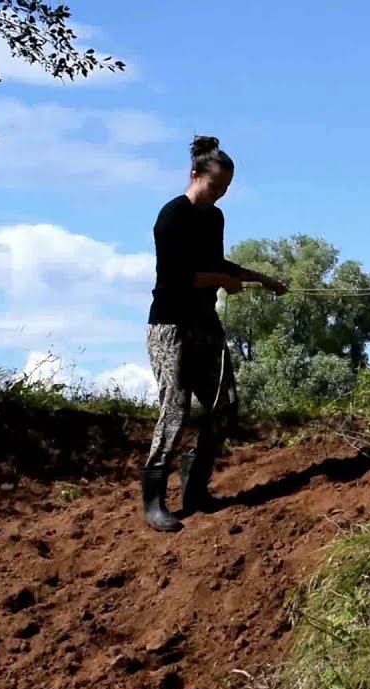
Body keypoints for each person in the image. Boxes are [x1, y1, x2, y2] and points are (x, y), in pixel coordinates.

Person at [141, 135, 287, 532]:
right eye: (215, 185)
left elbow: (215, 263)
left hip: (206, 324)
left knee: (225, 405)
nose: (220, 194)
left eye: (226, 188)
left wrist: (261, 278)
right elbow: (181, 277)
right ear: (194, 175)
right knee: (176, 409)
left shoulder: (214, 218)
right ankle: (154, 500)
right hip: (171, 325)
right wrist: (223, 280)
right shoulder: (172, 216)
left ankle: (196, 484)